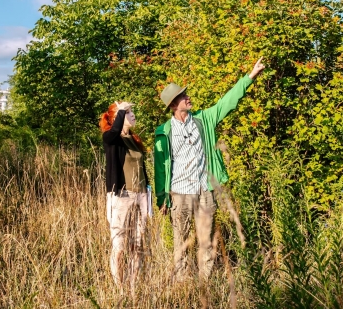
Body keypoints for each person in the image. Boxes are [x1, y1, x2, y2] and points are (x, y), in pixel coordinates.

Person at [154, 58, 266, 281]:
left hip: (204, 190)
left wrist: (250, 76)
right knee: (181, 241)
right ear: (174, 105)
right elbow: (161, 167)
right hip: (179, 193)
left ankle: (205, 283)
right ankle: (183, 285)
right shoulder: (164, 131)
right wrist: (161, 198)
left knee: (206, 240)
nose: (188, 97)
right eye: (183, 96)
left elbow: (227, 102)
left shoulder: (204, 119)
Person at [100, 101, 149, 294]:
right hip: (121, 196)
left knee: (138, 244)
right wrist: (121, 111)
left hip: (141, 196)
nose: (133, 115)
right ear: (117, 118)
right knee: (119, 246)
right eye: (128, 113)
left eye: (131, 112)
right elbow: (112, 134)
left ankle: (133, 287)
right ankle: (119, 289)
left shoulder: (134, 140)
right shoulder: (112, 139)